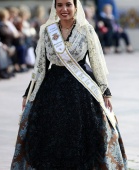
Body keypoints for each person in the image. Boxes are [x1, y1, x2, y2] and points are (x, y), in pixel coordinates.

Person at [11, 0, 127, 169]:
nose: (64, 9)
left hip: (81, 92)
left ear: (75, 6)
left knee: (84, 136)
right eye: (59, 5)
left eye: (68, 4)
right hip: (52, 91)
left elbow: (96, 62)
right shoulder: (47, 31)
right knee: (51, 136)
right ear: (55, 7)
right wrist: (29, 92)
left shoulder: (86, 30)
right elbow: (41, 65)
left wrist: (105, 90)